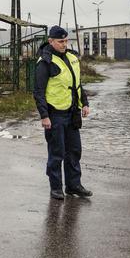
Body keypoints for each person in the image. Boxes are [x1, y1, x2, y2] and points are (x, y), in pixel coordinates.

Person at [33, 26, 92, 200]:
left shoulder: (72, 58)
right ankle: (56, 187)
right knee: (57, 152)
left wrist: (85, 103)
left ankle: (73, 185)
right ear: (50, 41)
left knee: (74, 151)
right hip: (55, 114)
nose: (64, 44)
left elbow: (77, 84)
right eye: (60, 42)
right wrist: (44, 116)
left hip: (72, 112)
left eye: (66, 41)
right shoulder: (45, 62)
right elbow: (38, 91)